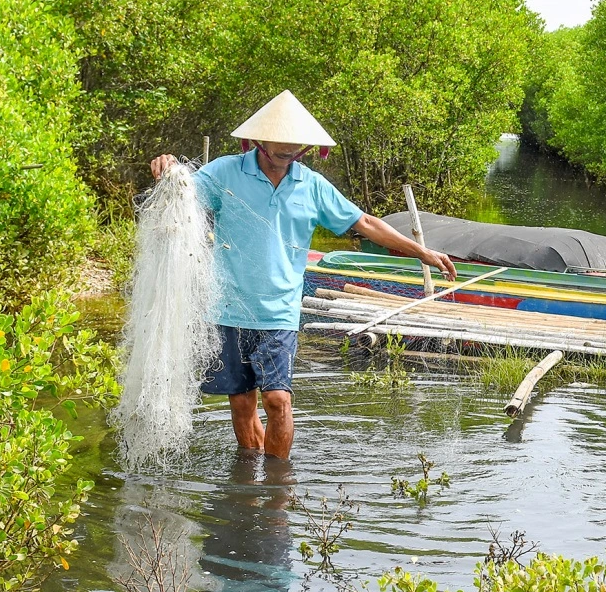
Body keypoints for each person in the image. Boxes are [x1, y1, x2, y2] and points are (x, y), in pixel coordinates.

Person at [150, 90, 457, 460]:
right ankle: (249, 488)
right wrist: (168, 173)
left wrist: (423, 252)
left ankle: (278, 492)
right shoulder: (224, 172)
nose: (286, 160)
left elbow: (365, 222)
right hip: (228, 308)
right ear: (259, 142)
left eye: (294, 153)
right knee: (242, 406)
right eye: (279, 152)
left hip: (278, 311)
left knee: (278, 400)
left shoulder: (311, 185)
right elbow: (182, 197)